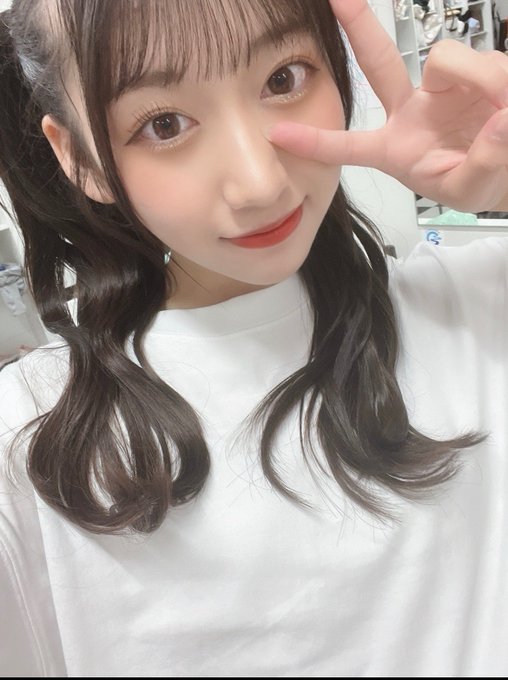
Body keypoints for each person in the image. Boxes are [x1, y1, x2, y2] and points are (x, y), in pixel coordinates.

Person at [0, 0, 507, 675]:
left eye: (283, 79)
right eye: (164, 124)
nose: (260, 184)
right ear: (79, 157)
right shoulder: (27, 437)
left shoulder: (474, 306)